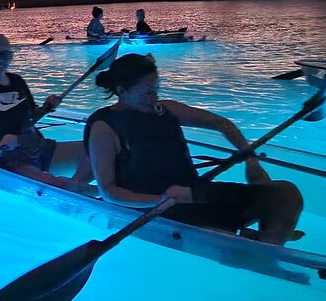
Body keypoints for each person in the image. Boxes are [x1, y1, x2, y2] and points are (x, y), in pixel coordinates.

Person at [85, 53, 302, 245]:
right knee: (223, 238)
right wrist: (162, 200)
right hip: (158, 208)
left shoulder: (166, 110)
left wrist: (250, 159)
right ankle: (263, 241)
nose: (156, 98)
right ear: (122, 91)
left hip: (195, 193)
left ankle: (269, 242)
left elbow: (222, 124)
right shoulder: (104, 127)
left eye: (157, 89)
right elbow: (108, 191)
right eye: (148, 92)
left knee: (286, 195)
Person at [0, 33, 93, 192]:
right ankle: (87, 194)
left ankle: (78, 188)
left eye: (6, 55)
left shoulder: (17, 81)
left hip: (36, 148)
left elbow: (31, 116)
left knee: (93, 150)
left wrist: (47, 107)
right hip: (6, 160)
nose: (1, 60)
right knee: (60, 186)